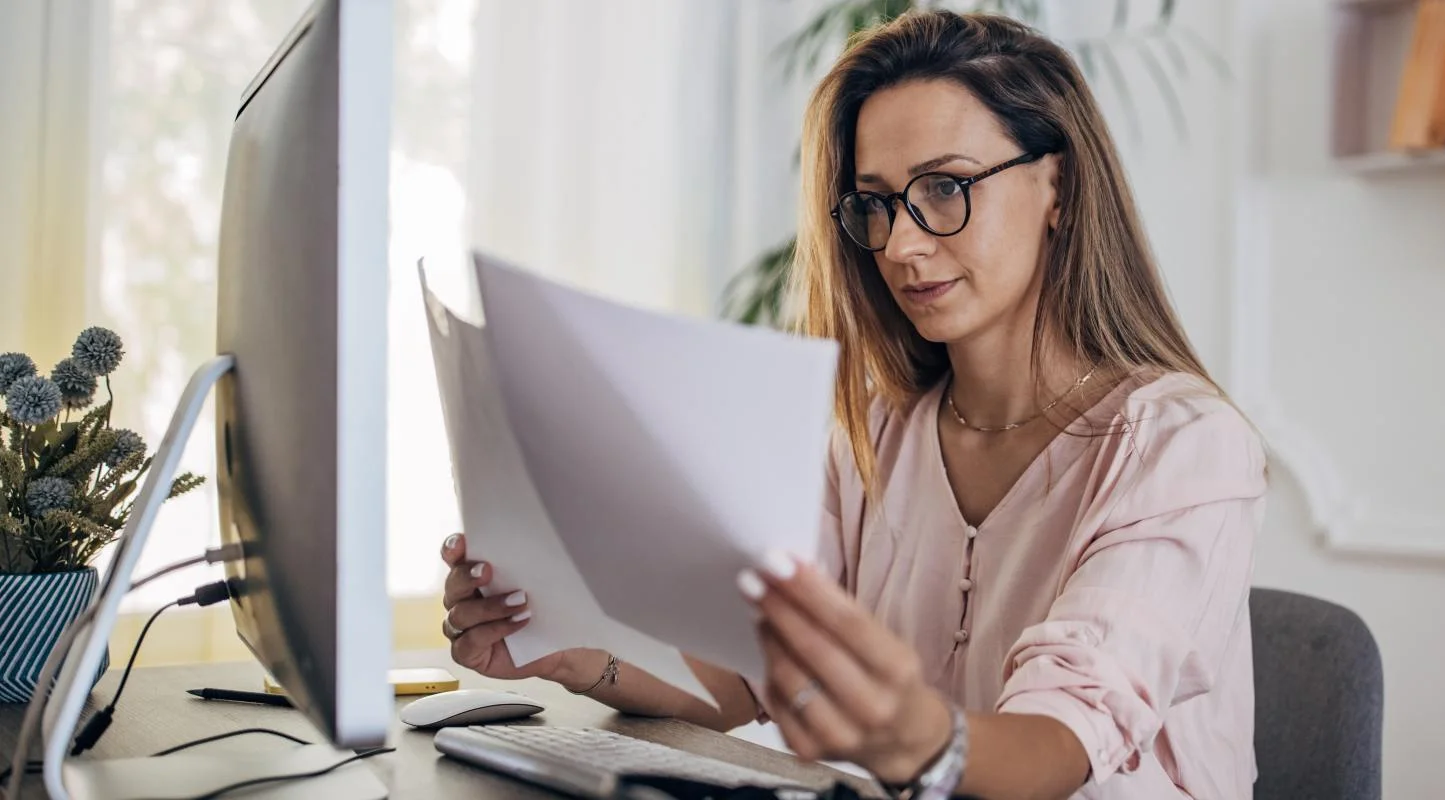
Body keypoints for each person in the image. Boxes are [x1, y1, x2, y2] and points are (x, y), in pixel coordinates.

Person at [438, 9, 1266, 799]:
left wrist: (922, 738)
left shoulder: (1182, 445)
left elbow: (1058, 746)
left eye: (945, 187)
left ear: (1059, 185)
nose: (901, 245)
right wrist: (574, 653)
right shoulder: (874, 434)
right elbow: (746, 680)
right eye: (876, 203)